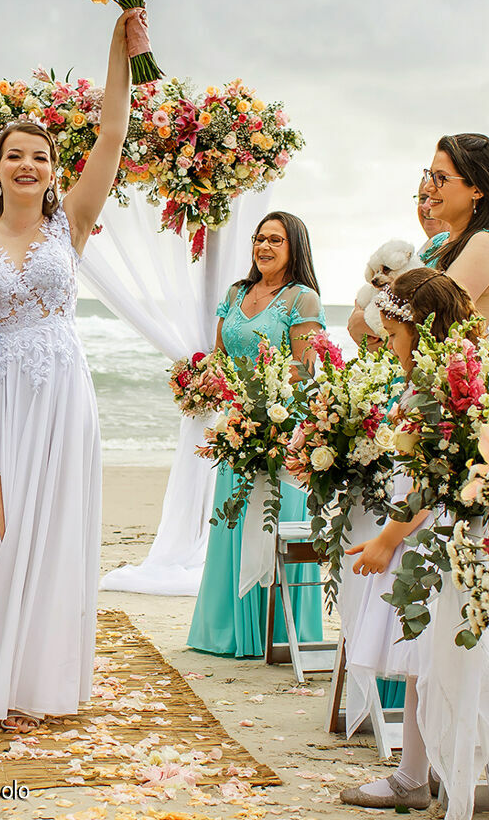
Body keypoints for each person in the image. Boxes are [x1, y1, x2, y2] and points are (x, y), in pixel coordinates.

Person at [0, 9, 133, 723]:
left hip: (60, 389)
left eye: (39, 157)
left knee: (46, 529)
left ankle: (22, 682)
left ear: (51, 171)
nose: (28, 165)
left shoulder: (70, 223)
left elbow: (111, 133)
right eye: (15, 155)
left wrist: (117, 49)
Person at [341, 268, 489, 815]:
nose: (389, 346)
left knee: (422, 657)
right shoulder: (455, 375)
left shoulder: (436, 389)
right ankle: (426, 765)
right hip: (439, 532)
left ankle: (412, 776)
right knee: (426, 659)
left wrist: (387, 540)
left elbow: (430, 482)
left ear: (422, 328)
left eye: (393, 335)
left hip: (429, 538)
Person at [187, 212, 324, 658]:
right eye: (259, 238)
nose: (264, 247)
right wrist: (203, 381)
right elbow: (220, 356)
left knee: (273, 524)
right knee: (232, 522)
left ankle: (277, 634)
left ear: (294, 246)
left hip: (281, 429)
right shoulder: (236, 293)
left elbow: (305, 368)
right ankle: (229, 632)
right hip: (237, 426)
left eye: (275, 240)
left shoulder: (302, 298)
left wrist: (261, 394)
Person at [349, 134, 489, 346]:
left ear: (477, 189)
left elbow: (432, 329)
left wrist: (362, 321)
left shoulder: (485, 244)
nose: (429, 187)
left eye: (441, 178)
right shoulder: (437, 243)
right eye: (430, 175)